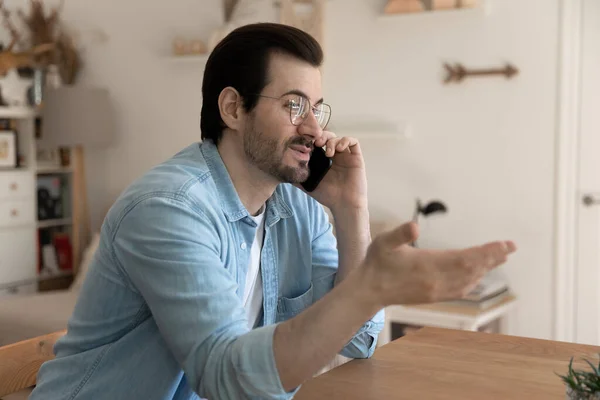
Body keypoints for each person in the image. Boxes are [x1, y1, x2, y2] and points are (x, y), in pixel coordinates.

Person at [30, 23, 516, 400]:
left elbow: (359, 341)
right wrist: (373, 284)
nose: (314, 129)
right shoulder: (170, 210)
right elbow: (225, 375)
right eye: (293, 105)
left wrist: (352, 210)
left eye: (318, 109)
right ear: (233, 109)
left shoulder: (295, 205)